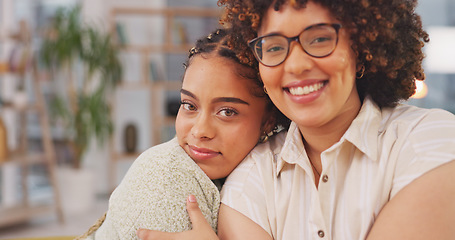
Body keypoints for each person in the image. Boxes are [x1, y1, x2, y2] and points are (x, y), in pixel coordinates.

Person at [137, 0, 455, 239]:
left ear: (360, 47)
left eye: (318, 39)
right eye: (274, 47)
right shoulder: (251, 179)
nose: (297, 65)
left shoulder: (431, 143)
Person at [75, 28, 288, 240]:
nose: (199, 131)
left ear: (268, 121)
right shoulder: (169, 187)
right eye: (189, 105)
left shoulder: (267, 168)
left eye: (227, 112)